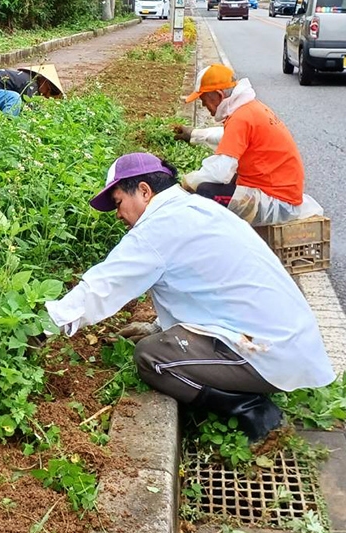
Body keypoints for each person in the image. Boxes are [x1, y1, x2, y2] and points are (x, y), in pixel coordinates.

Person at [44, 152, 335, 442]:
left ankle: (253, 410)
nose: (118, 215)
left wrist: (41, 326)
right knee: (161, 341)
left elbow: (100, 288)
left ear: (144, 191)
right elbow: (206, 288)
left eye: (119, 203)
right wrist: (159, 325)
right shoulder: (198, 209)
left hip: (271, 352)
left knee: (152, 357)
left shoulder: (156, 229)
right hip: (290, 340)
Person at [176, 64, 322, 226]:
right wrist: (194, 134)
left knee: (206, 191)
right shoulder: (250, 109)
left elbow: (219, 172)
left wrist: (187, 182)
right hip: (283, 194)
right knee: (229, 179)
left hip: (277, 202)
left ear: (218, 95)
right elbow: (228, 137)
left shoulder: (240, 119)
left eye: (204, 101)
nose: (204, 106)